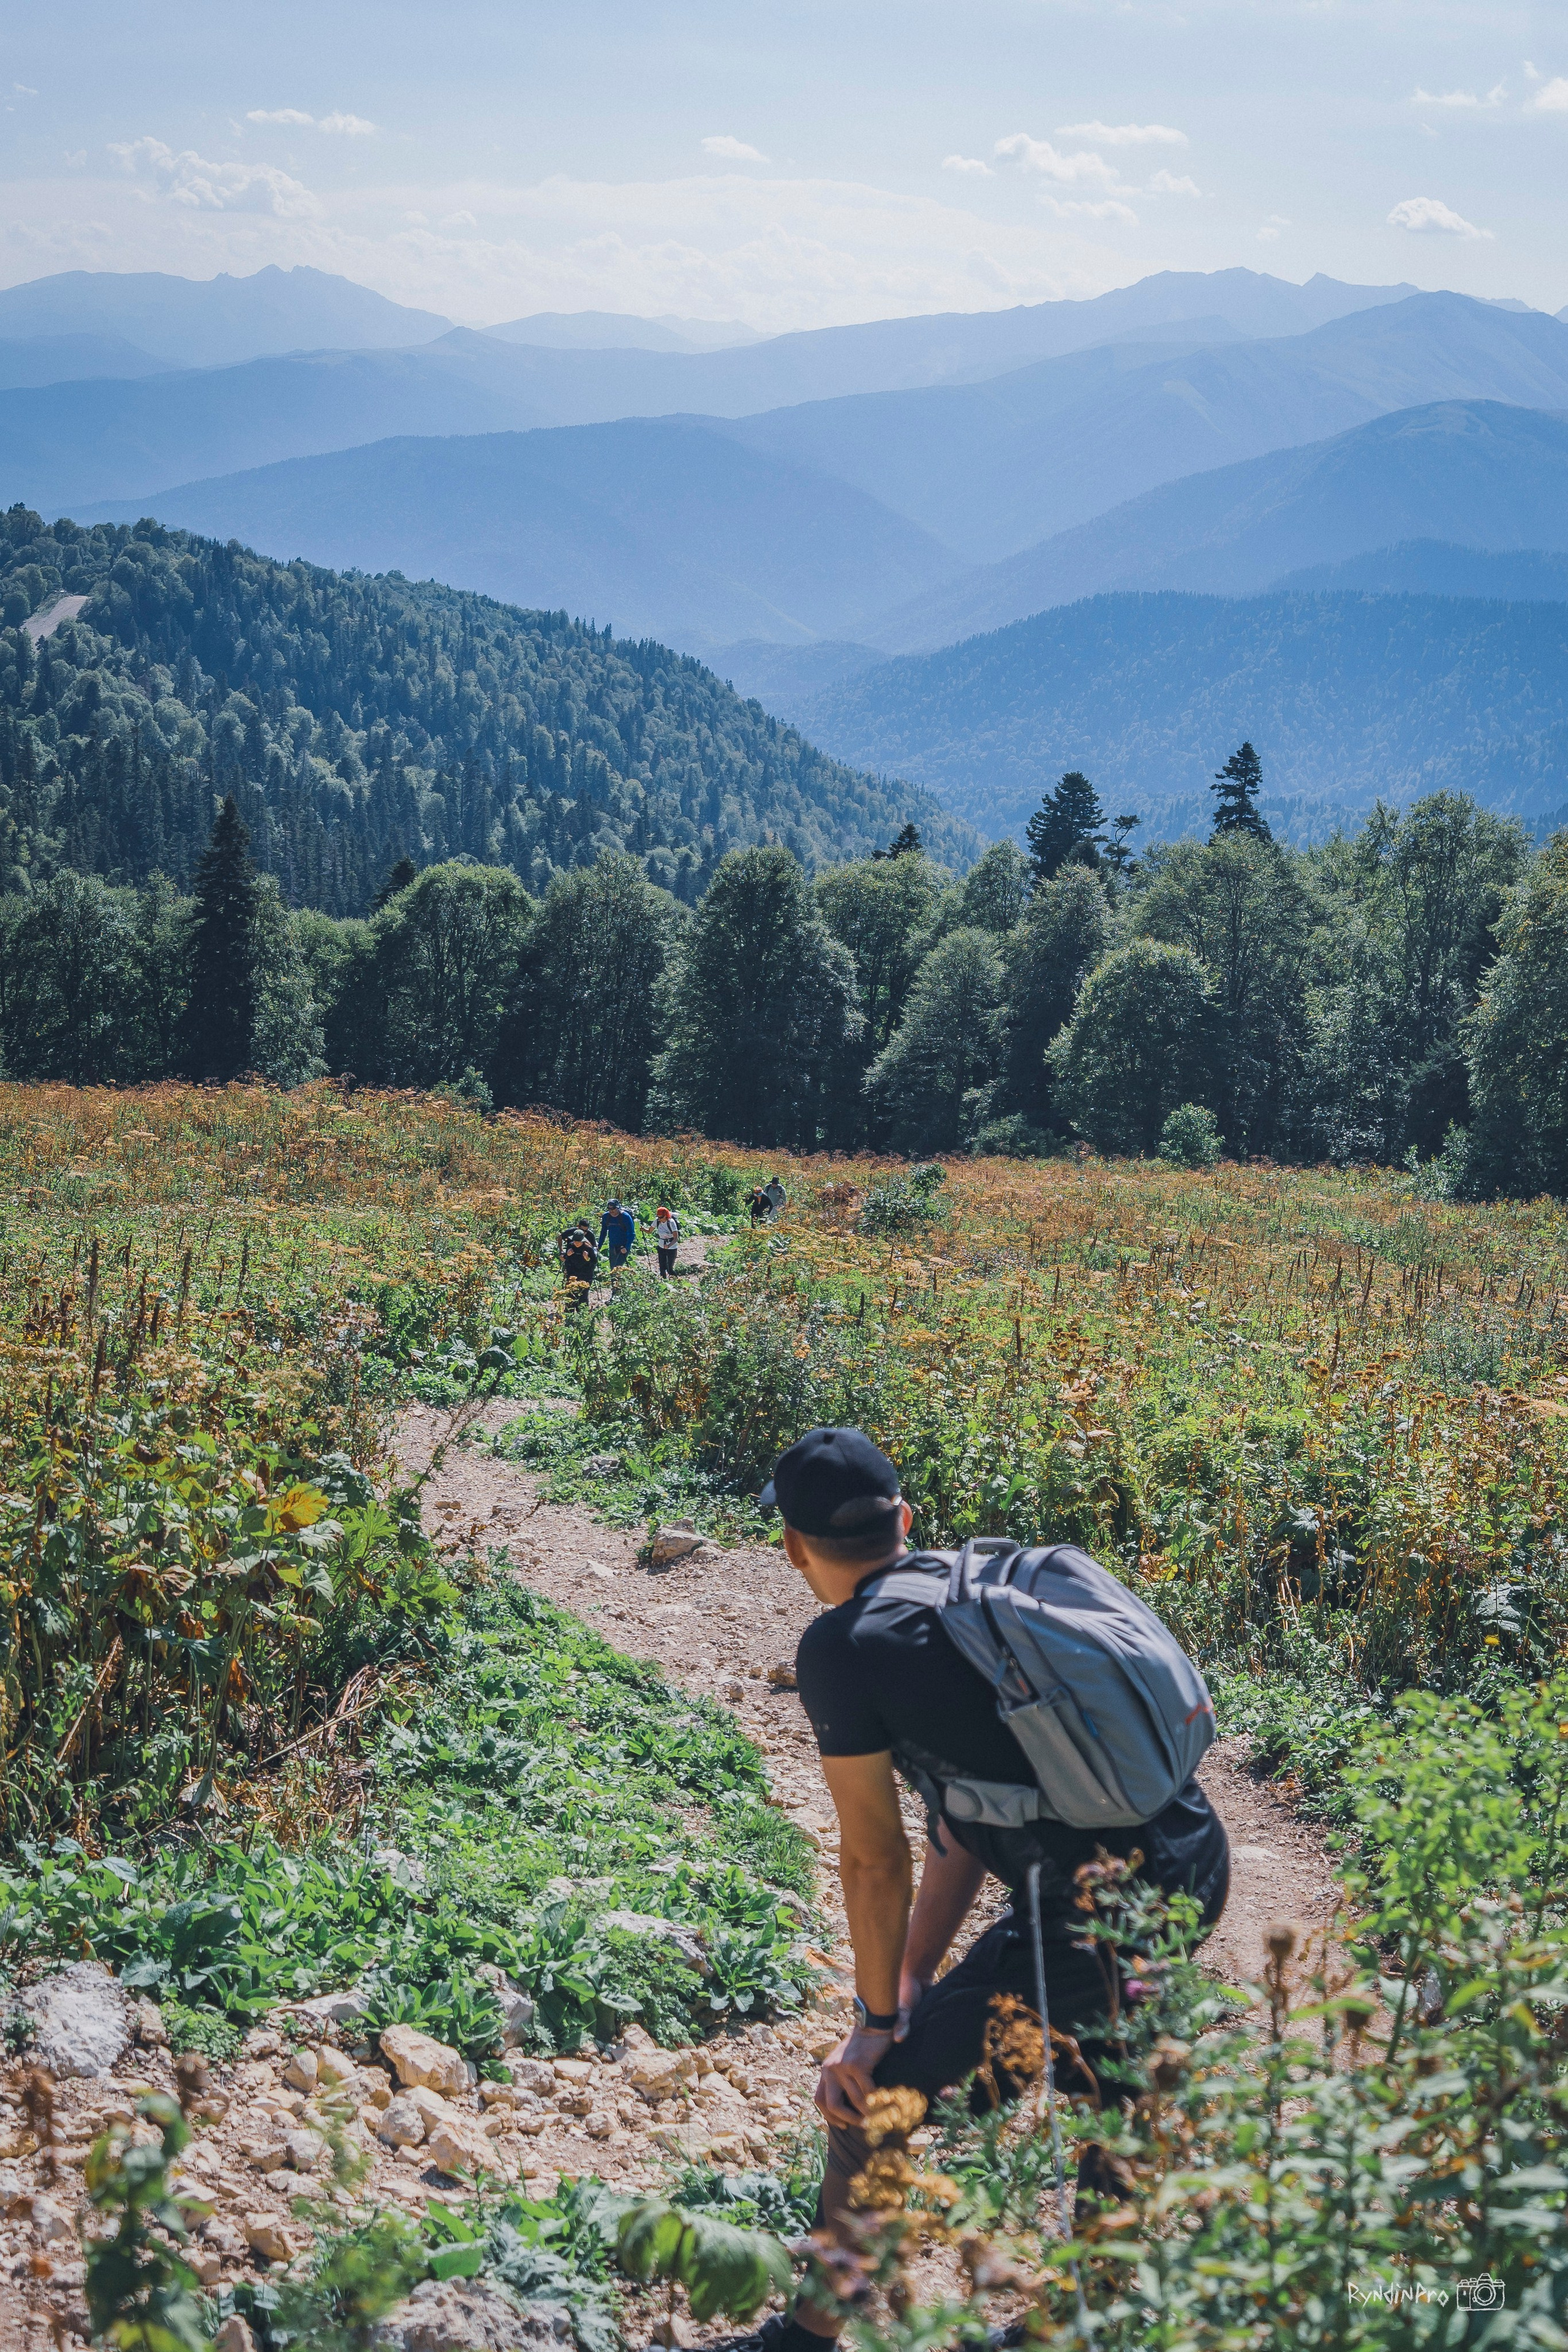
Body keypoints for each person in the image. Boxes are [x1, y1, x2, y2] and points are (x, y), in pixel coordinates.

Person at [751, 1426, 1229, 2352]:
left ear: (794, 1546)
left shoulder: (844, 1649)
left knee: (875, 2095)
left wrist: (876, 2021)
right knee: (1111, 2072)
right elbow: (966, 1824)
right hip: (1192, 1856)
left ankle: (810, 2335)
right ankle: (1089, 2318)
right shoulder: (975, 1591)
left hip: (1099, 1903)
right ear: (908, 1518)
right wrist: (916, 1975)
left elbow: (874, 1858)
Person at [558, 1224, 598, 1305]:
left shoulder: (589, 1248)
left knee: (583, 1295)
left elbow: (594, 1262)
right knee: (571, 1294)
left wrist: (588, 1259)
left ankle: (583, 1314)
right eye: (575, 1241)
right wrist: (567, 1255)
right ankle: (569, 1314)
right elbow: (567, 1260)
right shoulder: (570, 1246)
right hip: (573, 1273)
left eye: (579, 1242)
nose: (577, 1243)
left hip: (585, 1274)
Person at [597, 1197, 635, 1276]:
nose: (611, 1211)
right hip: (613, 1246)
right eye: (609, 1209)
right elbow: (603, 1232)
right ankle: (614, 1285)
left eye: (613, 1209)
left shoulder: (625, 1217)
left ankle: (617, 1286)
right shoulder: (606, 1217)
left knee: (618, 1268)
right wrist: (599, 1246)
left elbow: (632, 1234)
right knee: (612, 1268)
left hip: (624, 1246)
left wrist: (627, 1247)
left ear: (618, 1208)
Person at [655, 1203, 680, 1279]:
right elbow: (650, 1231)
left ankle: (678, 1282)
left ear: (666, 1216)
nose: (659, 1219)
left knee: (670, 1269)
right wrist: (643, 1230)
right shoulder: (658, 1221)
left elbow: (676, 1238)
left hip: (672, 1248)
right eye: (658, 1217)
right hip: (661, 1246)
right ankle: (664, 1284)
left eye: (661, 1217)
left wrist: (669, 1246)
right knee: (662, 1268)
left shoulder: (671, 1222)